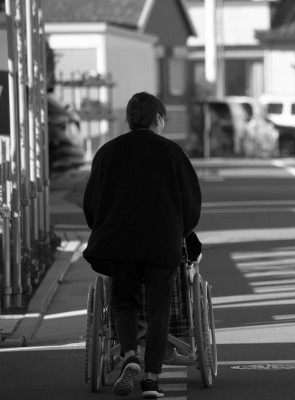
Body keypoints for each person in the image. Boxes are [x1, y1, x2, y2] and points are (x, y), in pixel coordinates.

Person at [83, 92, 201, 398]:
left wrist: (103, 230)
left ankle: (130, 355)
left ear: (129, 119)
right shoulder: (172, 152)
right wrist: (182, 231)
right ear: (158, 119)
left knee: (124, 302)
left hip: (119, 242)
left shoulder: (107, 152)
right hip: (162, 243)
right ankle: (151, 380)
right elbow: (190, 204)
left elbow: (92, 205)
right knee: (159, 309)